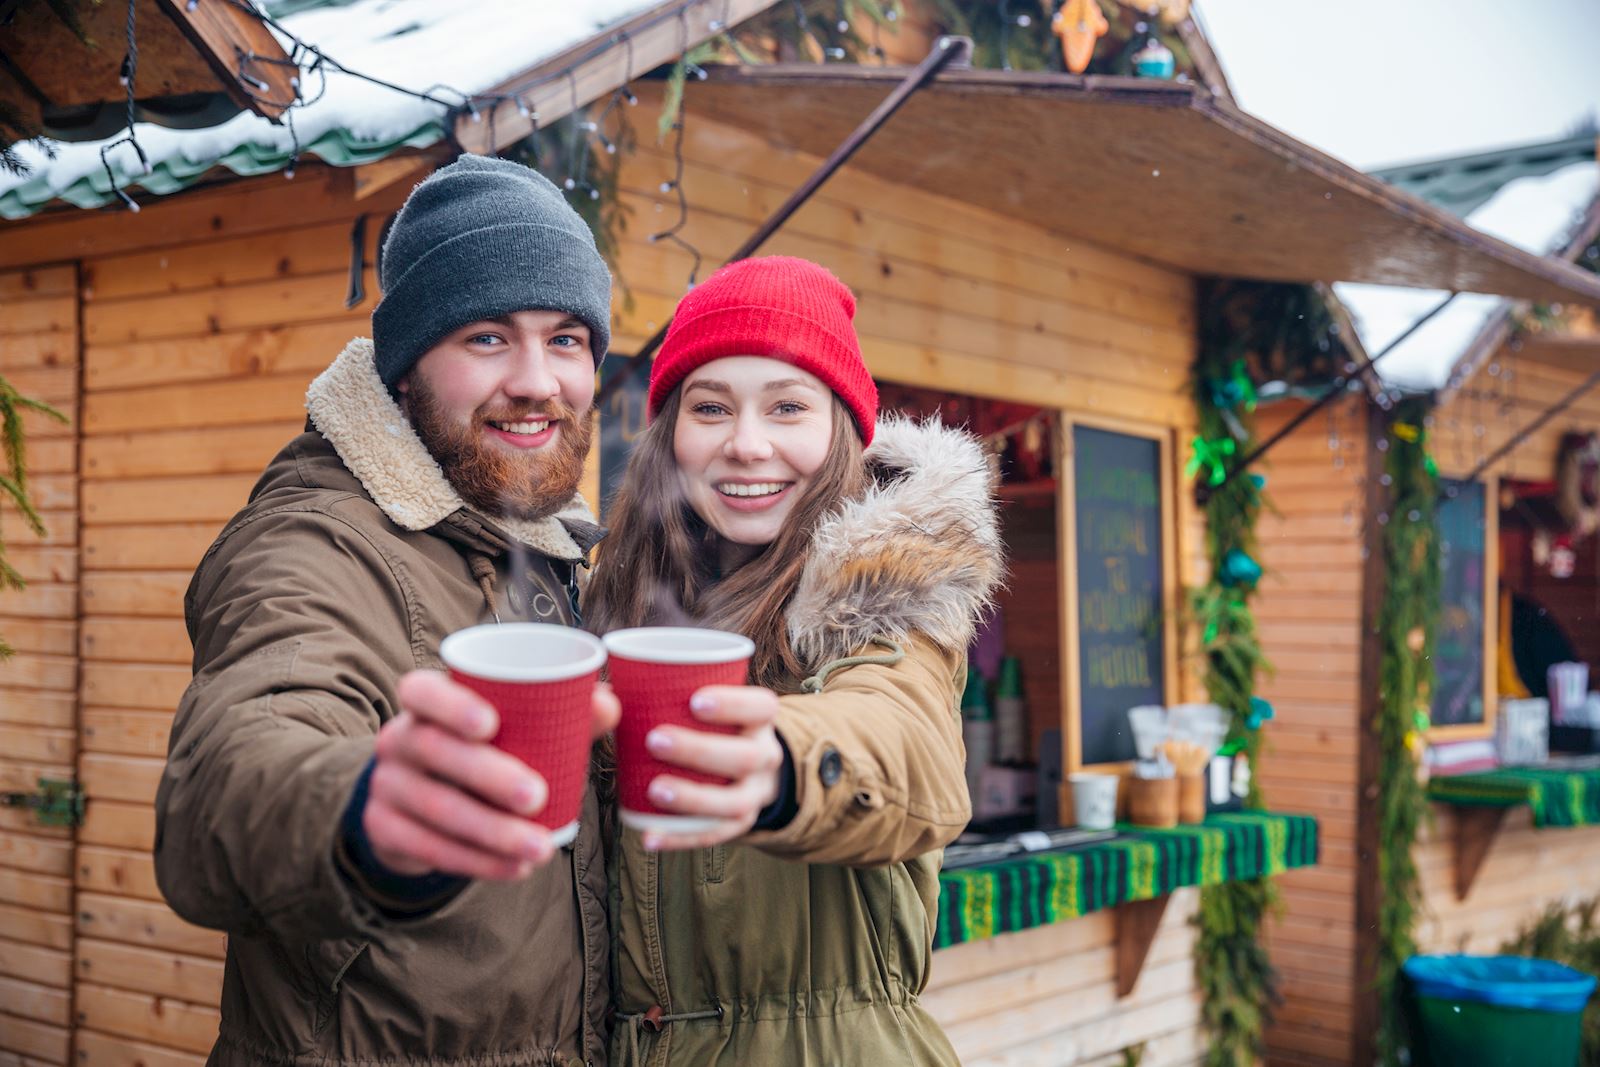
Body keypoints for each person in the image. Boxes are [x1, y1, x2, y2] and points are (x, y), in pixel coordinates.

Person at [154, 155, 621, 1067]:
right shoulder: (315, 544)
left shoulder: (543, 546)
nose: (537, 380)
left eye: (567, 339)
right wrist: (367, 815)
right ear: (406, 368)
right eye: (488, 337)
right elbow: (231, 771)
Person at [584, 255, 1004, 1065]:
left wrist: (780, 759)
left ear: (839, 430)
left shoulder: (886, 594)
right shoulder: (616, 600)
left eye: (787, 407)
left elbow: (907, 744)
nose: (747, 444)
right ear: (672, 433)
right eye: (711, 407)